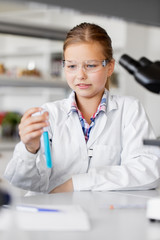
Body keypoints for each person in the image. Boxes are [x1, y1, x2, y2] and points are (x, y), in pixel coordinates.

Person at [4, 22, 160, 194]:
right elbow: (22, 181)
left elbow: (147, 171)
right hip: (53, 215)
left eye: (90, 65)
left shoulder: (129, 109)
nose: (80, 75)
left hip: (107, 216)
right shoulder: (49, 114)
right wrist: (30, 149)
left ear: (110, 67)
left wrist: (77, 183)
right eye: (71, 66)